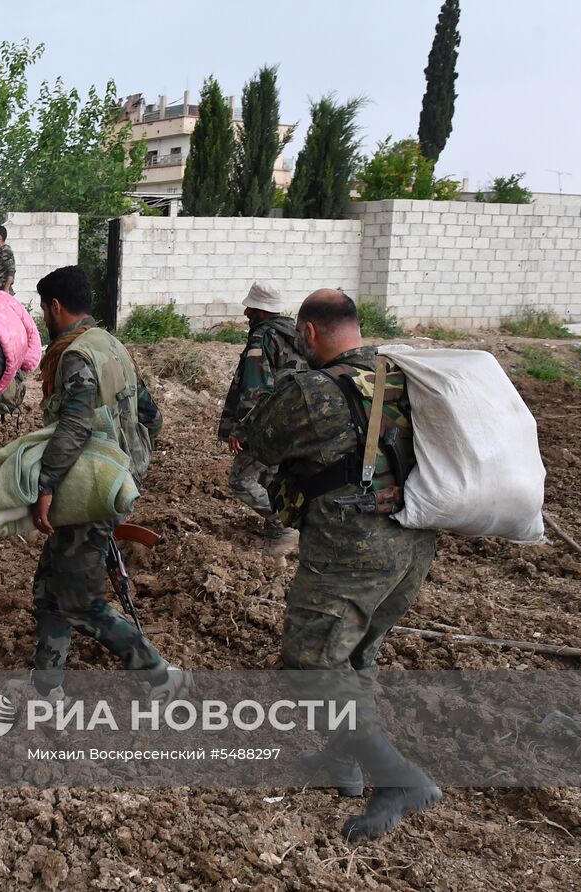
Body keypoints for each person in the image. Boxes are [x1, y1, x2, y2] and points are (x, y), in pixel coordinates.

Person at [238, 289, 441, 842]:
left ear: (307, 333)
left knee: (310, 662)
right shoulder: (402, 374)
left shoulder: (313, 390)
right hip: (412, 545)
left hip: (352, 548)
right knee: (354, 655)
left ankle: (395, 777)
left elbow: (257, 439)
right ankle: (342, 762)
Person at [30, 265, 178, 701]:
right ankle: (46, 684)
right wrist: (129, 467)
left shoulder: (76, 356)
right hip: (111, 485)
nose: (43, 317)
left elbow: (73, 427)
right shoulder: (112, 346)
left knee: (82, 601)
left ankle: (158, 673)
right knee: (50, 588)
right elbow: (152, 416)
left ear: (55, 307)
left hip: (88, 492)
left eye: (43, 309)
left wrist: (47, 485)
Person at [218, 281, 308, 556]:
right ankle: (278, 535)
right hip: (294, 421)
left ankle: (284, 524)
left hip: (267, 422)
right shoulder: (297, 335)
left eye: (251, 308)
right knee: (270, 477)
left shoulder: (263, 337)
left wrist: (240, 429)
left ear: (262, 310)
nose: (246, 313)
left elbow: (255, 388)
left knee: (241, 480)